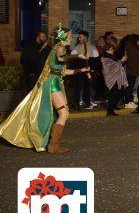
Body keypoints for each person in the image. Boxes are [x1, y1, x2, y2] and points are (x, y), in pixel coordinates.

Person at [0, 25, 90, 153]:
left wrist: (81, 70)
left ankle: (52, 141)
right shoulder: (59, 48)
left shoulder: (58, 48)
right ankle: (53, 145)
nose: (71, 39)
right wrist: (79, 56)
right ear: (63, 38)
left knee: (56, 113)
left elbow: (63, 71)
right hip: (53, 83)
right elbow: (60, 58)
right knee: (63, 113)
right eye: (69, 36)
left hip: (55, 81)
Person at [101, 43, 128, 116]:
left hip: (118, 79)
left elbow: (117, 64)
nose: (113, 50)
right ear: (106, 50)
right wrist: (121, 61)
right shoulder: (105, 59)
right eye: (111, 49)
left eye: (113, 49)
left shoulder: (112, 57)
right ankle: (110, 111)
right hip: (112, 79)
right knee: (113, 95)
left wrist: (122, 61)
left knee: (120, 92)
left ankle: (113, 106)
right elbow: (111, 68)